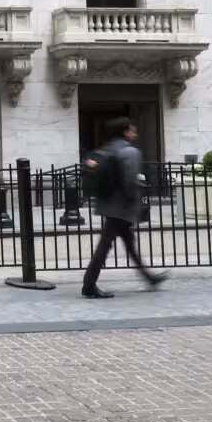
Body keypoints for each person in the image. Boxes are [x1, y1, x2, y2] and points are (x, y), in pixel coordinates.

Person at [80, 118, 167, 298]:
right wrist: (134, 202)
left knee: (128, 243)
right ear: (126, 132)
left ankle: (149, 277)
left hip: (108, 203)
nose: (135, 134)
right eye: (133, 131)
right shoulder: (130, 152)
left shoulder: (107, 149)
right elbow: (129, 182)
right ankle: (89, 284)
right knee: (105, 246)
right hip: (121, 207)